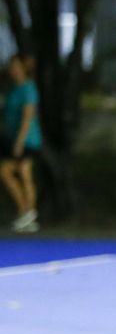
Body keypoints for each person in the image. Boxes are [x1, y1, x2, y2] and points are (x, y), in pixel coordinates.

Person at [3, 54, 41, 233]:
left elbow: (27, 117)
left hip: (28, 140)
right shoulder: (14, 89)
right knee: (14, 173)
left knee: (22, 173)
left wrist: (19, 142)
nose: (13, 70)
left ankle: (27, 212)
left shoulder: (28, 89)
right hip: (15, 139)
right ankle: (27, 213)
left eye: (16, 67)